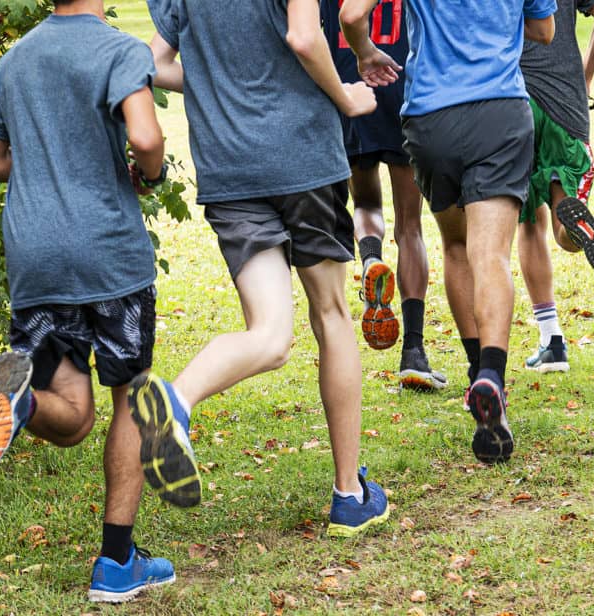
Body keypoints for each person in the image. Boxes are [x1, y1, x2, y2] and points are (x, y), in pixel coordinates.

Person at [137, 0, 389, 537]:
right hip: (302, 159)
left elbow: (150, 64)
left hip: (230, 169)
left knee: (271, 336)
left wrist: (213, 81)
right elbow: (303, 37)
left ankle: (175, 402)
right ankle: (349, 494)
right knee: (332, 315)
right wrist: (346, 97)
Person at [0, 0, 175, 602]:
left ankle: (20, 400)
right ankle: (116, 562)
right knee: (131, 395)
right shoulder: (119, 49)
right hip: (106, 251)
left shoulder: (15, 60)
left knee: (73, 417)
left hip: (34, 256)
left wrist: (48, 164)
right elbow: (146, 136)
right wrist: (148, 174)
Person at [339, 0, 556, 464]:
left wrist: (365, 53)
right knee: (491, 255)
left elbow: (352, 15)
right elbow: (544, 30)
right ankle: (492, 378)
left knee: (456, 247)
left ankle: (476, 368)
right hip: (500, 112)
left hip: (431, 118)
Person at [320, 0, 447, 391]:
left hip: (351, 88)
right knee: (410, 227)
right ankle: (413, 352)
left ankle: (371, 258)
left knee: (365, 203)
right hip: (401, 84)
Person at [517, 0, 594, 373]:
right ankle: (575, 229)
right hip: (566, 98)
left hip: (514, 98)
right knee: (561, 215)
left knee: (529, 221)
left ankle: (552, 340)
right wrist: (586, 73)